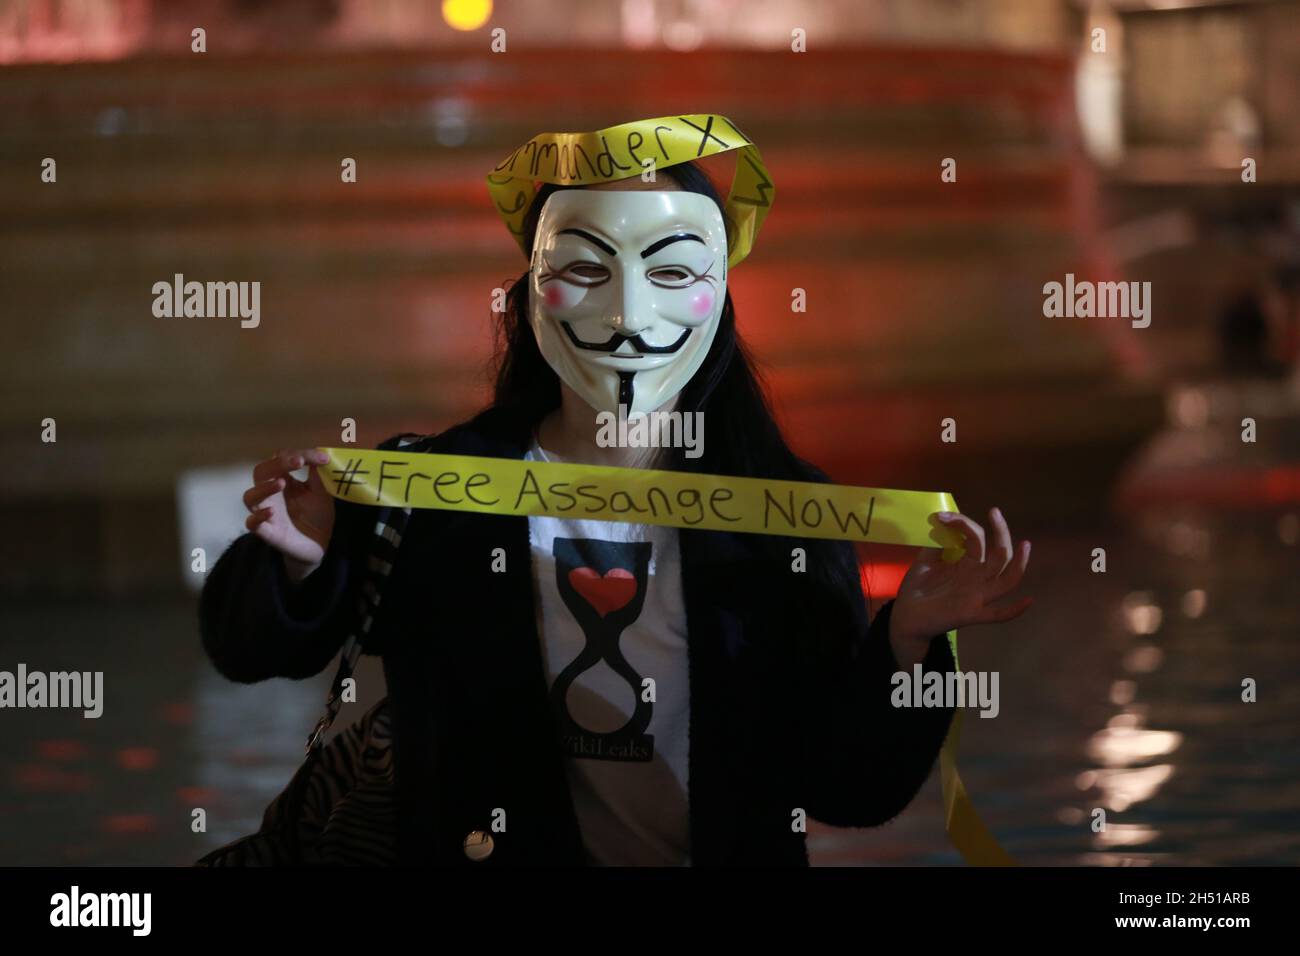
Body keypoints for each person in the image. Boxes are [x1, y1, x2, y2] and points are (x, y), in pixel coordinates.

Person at [200, 123, 1032, 866]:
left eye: (671, 270)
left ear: (719, 298)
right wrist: (296, 562)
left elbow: (850, 789)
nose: (630, 312)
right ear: (531, 291)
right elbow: (253, 652)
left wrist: (907, 644)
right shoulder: (434, 494)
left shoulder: (787, 520)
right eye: (586, 268)